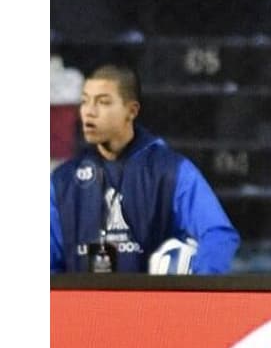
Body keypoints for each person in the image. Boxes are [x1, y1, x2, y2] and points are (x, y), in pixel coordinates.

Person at [50, 63, 239, 274]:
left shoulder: (171, 171)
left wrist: (196, 294)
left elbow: (217, 233)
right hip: (82, 307)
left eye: (103, 102)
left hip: (154, 306)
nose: (89, 112)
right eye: (85, 101)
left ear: (131, 111)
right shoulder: (62, 180)